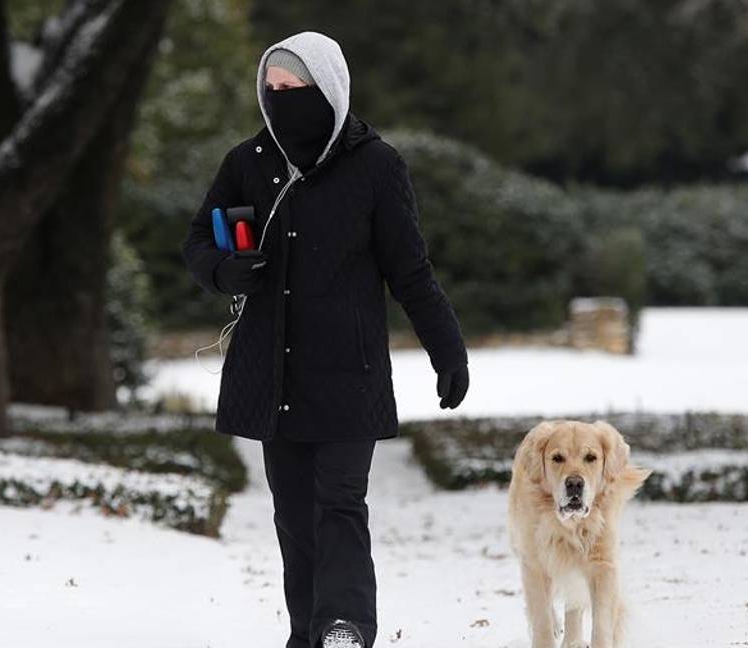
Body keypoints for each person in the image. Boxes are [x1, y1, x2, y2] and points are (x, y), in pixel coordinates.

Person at [181, 31, 470, 648]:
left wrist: (446, 350)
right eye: (273, 89)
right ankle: (307, 631)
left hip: (349, 372)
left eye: (296, 89)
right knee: (293, 516)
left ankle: (344, 627)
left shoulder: (377, 166)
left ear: (330, 89)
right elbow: (198, 244)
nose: (282, 100)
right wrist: (224, 270)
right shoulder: (249, 162)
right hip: (271, 373)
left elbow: (410, 272)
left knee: (339, 502)